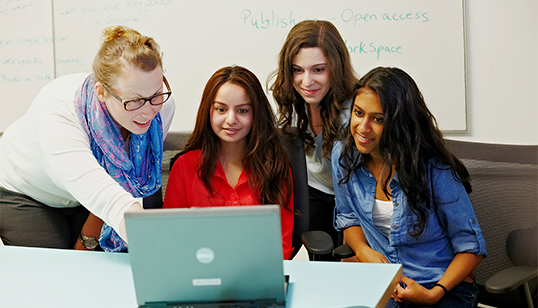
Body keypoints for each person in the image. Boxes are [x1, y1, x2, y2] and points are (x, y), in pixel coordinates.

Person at [0, 25, 175, 251]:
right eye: (134, 101)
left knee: (103, 264)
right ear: (101, 92)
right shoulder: (59, 115)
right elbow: (104, 195)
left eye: (155, 95)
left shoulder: (163, 107)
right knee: (54, 271)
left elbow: (120, 184)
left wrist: (87, 239)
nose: (148, 112)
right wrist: (156, 248)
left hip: (89, 194)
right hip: (27, 192)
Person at [332, 67, 486, 307]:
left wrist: (433, 293)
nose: (363, 127)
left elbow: (472, 247)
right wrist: (363, 251)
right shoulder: (344, 157)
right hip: (386, 286)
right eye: (358, 113)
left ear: (399, 123)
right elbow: (348, 217)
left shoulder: (434, 169)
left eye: (378, 119)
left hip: (440, 288)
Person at [163, 65, 294, 259]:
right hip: (201, 275)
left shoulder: (274, 166)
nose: (231, 119)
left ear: (256, 114)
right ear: (208, 111)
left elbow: (281, 245)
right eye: (221, 109)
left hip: (257, 278)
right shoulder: (184, 166)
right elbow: (171, 239)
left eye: (242, 110)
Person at [269, 20, 358, 257]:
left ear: (336, 68)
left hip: (353, 198)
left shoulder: (356, 112)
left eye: (318, 69)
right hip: (311, 193)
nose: (306, 82)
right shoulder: (294, 102)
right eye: (298, 70)